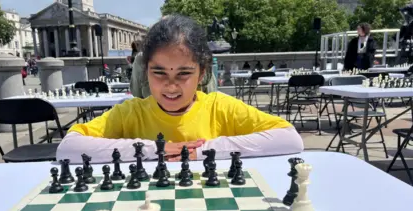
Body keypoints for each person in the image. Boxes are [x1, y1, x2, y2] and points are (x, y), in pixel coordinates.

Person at [56, 15, 303, 164]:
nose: (171, 85)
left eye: (184, 74)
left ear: (202, 73)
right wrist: (154, 149)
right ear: (146, 71)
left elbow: (290, 138)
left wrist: (204, 151)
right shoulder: (130, 112)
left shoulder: (219, 106)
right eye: (159, 72)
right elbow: (67, 148)